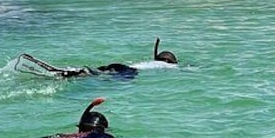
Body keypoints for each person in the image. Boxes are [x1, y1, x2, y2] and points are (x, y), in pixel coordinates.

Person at [13, 37, 177, 79]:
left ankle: (77, 72)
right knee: (99, 76)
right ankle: (79, 74)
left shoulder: (151, 63)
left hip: (123, 65)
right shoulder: (168, 67)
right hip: (128, 71)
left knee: (99, 71)